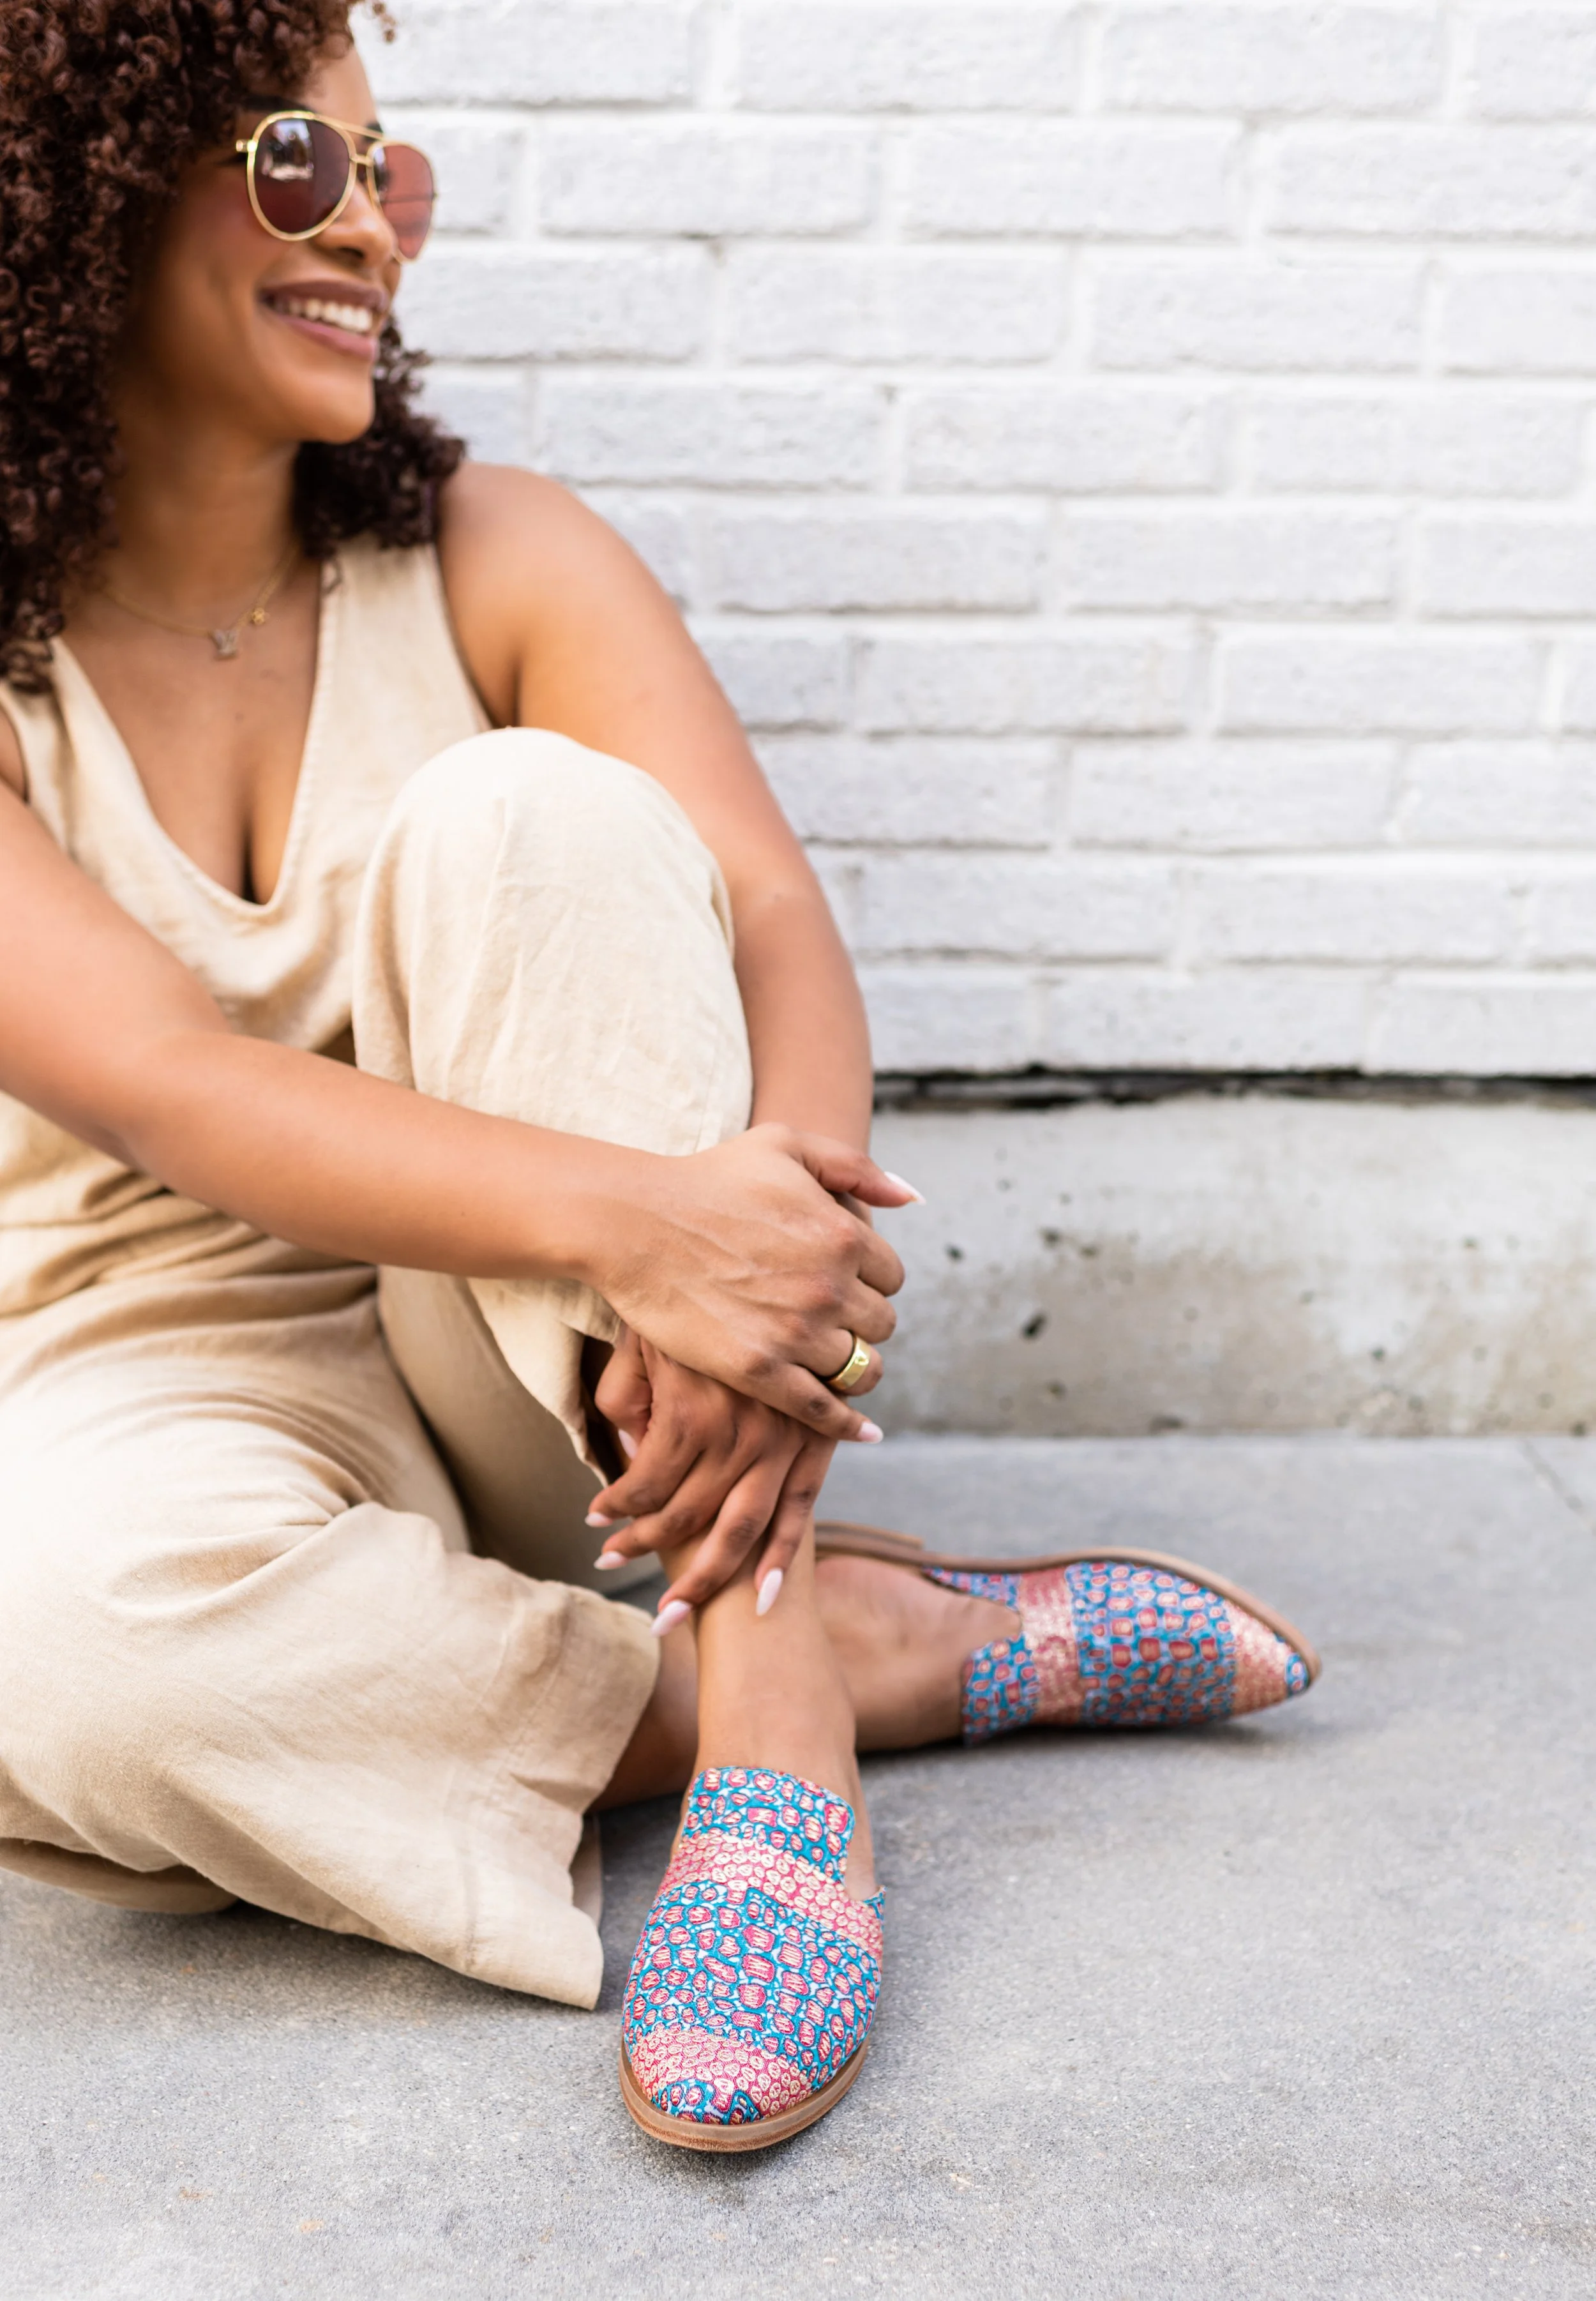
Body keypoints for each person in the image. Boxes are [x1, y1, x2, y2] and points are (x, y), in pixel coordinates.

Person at [0, 0, 1319, 2154]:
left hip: (542, 1382)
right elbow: (162, 1081)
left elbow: (776, 926)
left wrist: (757, 1259)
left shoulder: (498, 553)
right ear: (73, 202)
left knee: (543, 819)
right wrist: (656, 1224)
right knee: (54, 1669)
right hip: (154, 1367)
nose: (375, 230)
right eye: (298, 165)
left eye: (392, 174)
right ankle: (882, 1654)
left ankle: (775, 1714)